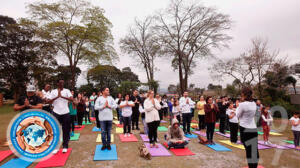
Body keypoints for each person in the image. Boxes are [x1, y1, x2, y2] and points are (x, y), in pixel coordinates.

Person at [48, 79, 73, 153]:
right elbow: (48, 101)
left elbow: (71, 99)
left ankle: (65, 145)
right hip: (56, 112)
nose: (62, 84)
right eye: (60, 83)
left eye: (63, 82)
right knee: (56, 130)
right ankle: (56, 146)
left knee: (66, 130)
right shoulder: (53, 91)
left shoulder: (67, 91)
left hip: (65, 112)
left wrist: (62, 96)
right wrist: (57, 97)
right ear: (57, 83)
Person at [236, 87, 259, 168]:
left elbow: (237, 115)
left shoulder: (242, 105)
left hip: (245, 129)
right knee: (254, 151)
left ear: (243, 94)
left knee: (249, 152)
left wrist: (238, 106)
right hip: (253, 129)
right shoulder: (254, 103)